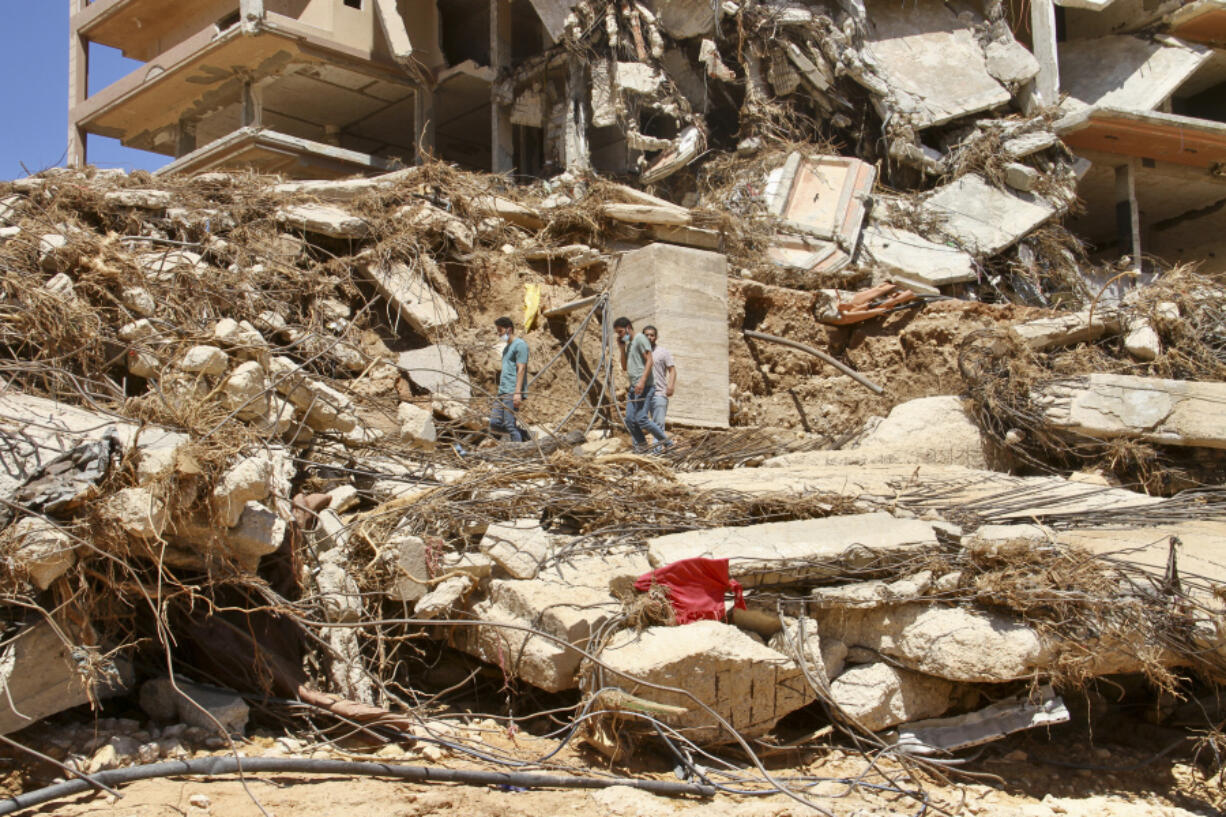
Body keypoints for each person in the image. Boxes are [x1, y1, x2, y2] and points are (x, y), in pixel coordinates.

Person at [613, 316, 671, 453]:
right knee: (629, 420)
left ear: (628, 328)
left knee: (642, 419)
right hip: (635, 388)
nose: (620, 335)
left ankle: (668, 443)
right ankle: (643, 446)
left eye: (620, 332)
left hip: (644, 387)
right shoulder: (631, 344)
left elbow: (650, 360)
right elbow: (625, 367)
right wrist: (621, 349)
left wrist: (642, 381)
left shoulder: (640, 339)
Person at [490, 316, 528, 442]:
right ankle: (526, 436)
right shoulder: (506, 348)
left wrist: (517, 393)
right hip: (502, 391)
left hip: (512, 391)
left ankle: (519, 452)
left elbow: (521, 369)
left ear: (509, 330)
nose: (499, 334)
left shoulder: (520, 345)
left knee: (510, 426)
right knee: (494, 423)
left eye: (500, 331)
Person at [642, 325, 676, 431]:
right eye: (646, 335)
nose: (649, 337)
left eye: (652, 335)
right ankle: (639, 448)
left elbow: (672, 370)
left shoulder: (663, 352)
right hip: (641, 394)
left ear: (656, 337)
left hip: (659, 393)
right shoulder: (638, 352)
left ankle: (657, 448)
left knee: (658, 425)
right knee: (638, 423)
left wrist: (670, 386)